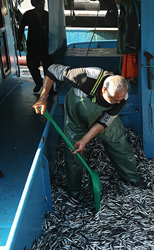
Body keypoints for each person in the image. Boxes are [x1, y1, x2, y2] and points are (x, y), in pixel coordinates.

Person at [32, 64, 146, 198]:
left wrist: (85, 140)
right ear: (104, 90)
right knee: (74, 152)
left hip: (101, 114)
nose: (117, 102)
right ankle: (74, 192)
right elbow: (51, 70)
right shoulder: (85, 77)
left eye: (119, 100)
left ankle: (132, 179)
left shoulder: (122, 97)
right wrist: (43, 98)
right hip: (76, 113)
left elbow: (104, 121)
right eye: (114, 99)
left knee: (118, 142)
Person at [17, 0, 55, 93]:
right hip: (33, 45)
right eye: (40, 3)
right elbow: (21, 28)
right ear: (35, 4)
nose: (42, 4)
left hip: (45, 46)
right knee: (32, 66)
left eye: (43, 3)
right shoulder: (28, 15)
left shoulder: (47, 15)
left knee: (48, 68)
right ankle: (39, 83)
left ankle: (49, 88)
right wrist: (19, 41)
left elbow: (54, 30)